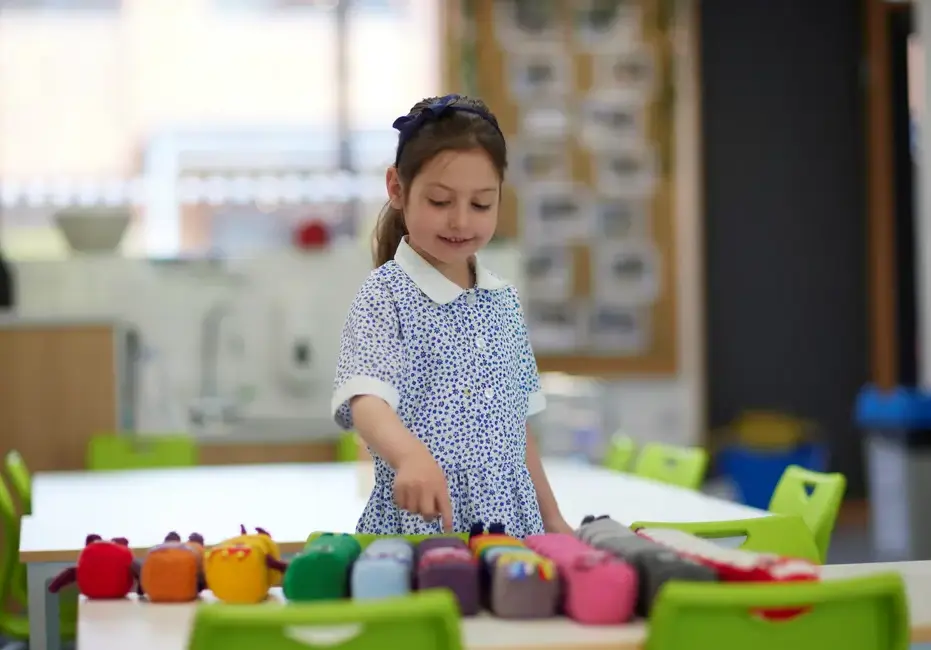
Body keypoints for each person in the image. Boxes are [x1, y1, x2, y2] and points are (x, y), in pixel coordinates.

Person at [331, 94, 571, 538]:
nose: (461, 221)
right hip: (425, 526)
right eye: (440, 201)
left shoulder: (503, 301)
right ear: (397, 189)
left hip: (512, 529)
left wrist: (552, 519)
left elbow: (518, 429)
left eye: (481, 204)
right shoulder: (386, 295)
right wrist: (409, 457)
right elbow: (366, 399)